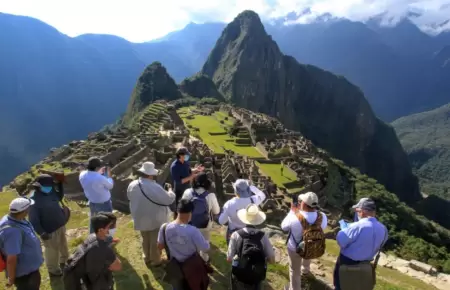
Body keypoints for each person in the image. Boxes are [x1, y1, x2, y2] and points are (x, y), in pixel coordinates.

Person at [127, 161, 175, 266]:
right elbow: (169, 200)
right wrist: (170, 190)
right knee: (155, 240)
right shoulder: (154, 187)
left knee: (145, 238)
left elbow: (130, 198)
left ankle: (146, 257)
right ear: (149, 175)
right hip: (154, 217)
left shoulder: (132, 184)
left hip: (140, 216)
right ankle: (156, 260)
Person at [333, 198, 388, 290]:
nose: (357, 213)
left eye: (357, 211)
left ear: (363, 211)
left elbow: (341, 242)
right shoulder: (384, 229)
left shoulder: (357, 226)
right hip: (366, 265)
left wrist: (343, 230)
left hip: (347, 262)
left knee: (341, 286)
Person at [157, 199, 210, 290]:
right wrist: (207, 241)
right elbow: (205, 248)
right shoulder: (193, 231)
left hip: (175, 268)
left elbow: (160, 246)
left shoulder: (164, 227)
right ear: (190, 213)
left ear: (178, 211)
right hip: (191, 267)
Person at [281, 192, 328, 290]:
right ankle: (305, 270)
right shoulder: (322, 216)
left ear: (304, 204)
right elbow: (322, 227)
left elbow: (284, 227)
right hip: (312, 246)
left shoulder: (294, 216)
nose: (299, 202)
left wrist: (292, 211)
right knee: (309, 246)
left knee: (294, 270)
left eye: (301, 201)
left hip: (295, 248)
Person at [63, 212, 122, 290]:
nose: (109, 230)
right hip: (98, 284)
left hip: (84, 281)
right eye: (108, 227)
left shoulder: (90, 238)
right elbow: (118, 267)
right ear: (101, 230)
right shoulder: (104, 249)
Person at [28, 174, 69, 276]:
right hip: (49, 230)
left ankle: (64, 261)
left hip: (60, 224)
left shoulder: (51, 192)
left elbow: (59, 197)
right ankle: (53, 270)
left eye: (51, 185)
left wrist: (60, 184)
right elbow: (33, 220)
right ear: (38, 186)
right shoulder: (33, 201)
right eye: (47, 186)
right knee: (52, 251)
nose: (49, 187)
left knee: (63, 245)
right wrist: (41, 232)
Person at [227, 204, 275, 289]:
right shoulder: (263, 236)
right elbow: (271, 260)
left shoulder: (236, 235)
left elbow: (229, 259)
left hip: (240, 275)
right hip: (256, 277)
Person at [0, 198, 43, 290]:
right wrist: (11, 278)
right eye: (29, 207)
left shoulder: (17, 219)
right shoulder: (12, 232)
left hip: (30, 270)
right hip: (25, 275)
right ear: (24, 211)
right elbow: (11, 258)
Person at [182, 172, 220, 262]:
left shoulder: (187, 192)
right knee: (204, 243)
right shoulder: (211, 196)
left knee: (191, 242)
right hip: (205, 224)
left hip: (190, 223)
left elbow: (183, 208)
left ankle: (191, 259)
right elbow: (216, 211)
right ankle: (204, 259)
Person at [218, 179, 266, 245]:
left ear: (235, 190)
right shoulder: (253, 200)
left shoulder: (229, 204)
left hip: (233, 233)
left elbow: (221, 221)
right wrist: (251, 186)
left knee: (232, 252)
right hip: (248, 233)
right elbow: (262, 195)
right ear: (248, 189)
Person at [79, 157, 114, 233]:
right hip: (104, 204)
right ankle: (106, 239)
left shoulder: (82, 175)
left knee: (93, 221)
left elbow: (88, 174)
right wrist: (108, 175)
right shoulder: (100, 178)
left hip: (92, 203)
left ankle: (92, 237)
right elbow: (110, 186)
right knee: (106, 222)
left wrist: (98, 172)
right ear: (97, 168)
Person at [170, 147, 204, 218]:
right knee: (179, 209)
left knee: (188, 207)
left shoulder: (186, 162)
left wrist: (196, 170)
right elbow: (179, 181)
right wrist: (191, 177)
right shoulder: (174, 167)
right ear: (180, 155)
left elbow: (189, 171)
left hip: (187, 187)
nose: (187, 156)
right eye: (186, 155)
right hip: (179, 190)